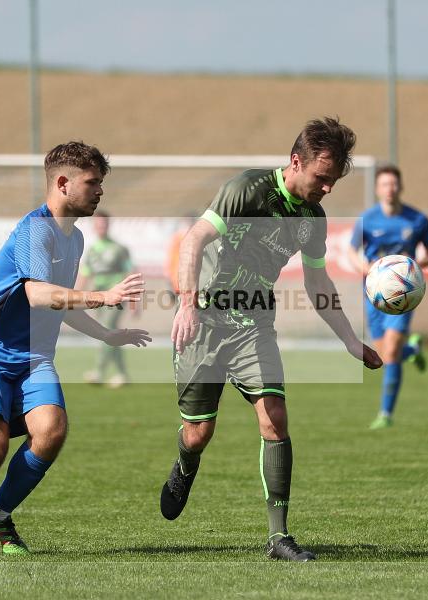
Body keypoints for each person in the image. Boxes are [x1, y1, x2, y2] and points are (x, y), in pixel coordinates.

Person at [159, 117, 383, 562]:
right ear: (296, 162)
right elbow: (194, 241)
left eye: (334, 180)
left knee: (274, 416)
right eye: (322, 177)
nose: (328, 188)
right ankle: (185, 463)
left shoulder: (312, 220)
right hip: (203, 324)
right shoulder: (247, 190)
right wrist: (186, 303)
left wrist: (350, 342)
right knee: (199, 432)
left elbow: (319, 285)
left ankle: (278, 537)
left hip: (253, 326)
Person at [0, 142, 150, 556]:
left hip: (33, 355)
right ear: (63, 183)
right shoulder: (35, 230)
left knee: (51, 431)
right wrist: (103, 297)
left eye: (101, 183)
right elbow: (37, 294)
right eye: (93, 183)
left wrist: (107, 336)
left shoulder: (75, 239)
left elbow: (60, 302)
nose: (100, 191)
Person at [346, 164, 428, 430]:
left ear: (401, 187)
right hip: (375, 295)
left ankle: (385, 414)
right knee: (386, 355)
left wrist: (413, 268)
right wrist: (366, 268)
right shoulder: (367, 219)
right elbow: (352, 252)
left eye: (394, 184)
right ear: (377, 189)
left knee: (392, 349)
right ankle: (414, 349)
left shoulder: (417, 220)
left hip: (404, 293)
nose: (390, 189)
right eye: (385, 184)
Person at [80, 211, 136, 388]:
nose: (101, 227)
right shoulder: (91, 250)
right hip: (98, 297)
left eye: (103, 224)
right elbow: (85, 275)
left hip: (117, 296)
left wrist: (134, 299)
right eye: (98, 224)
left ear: (109, 225)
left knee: (108, 330)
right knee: (110, 334)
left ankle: (98, 371)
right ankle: (122, 374)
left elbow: (131, 272)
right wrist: (75, 299)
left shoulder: (119, 249)